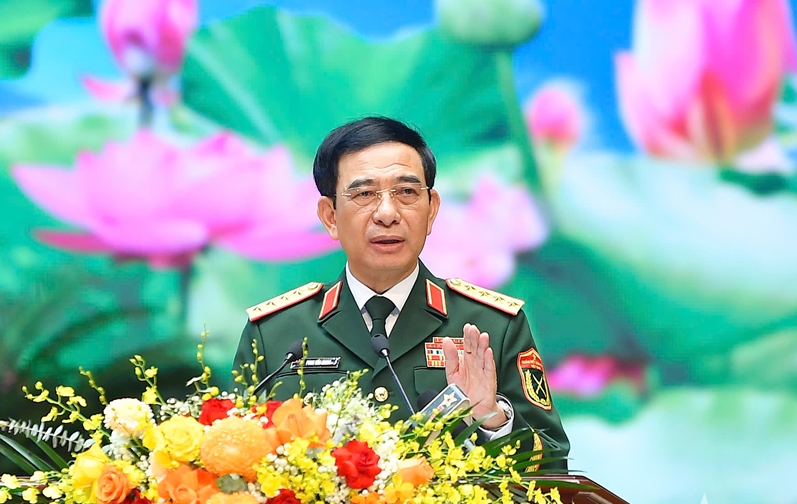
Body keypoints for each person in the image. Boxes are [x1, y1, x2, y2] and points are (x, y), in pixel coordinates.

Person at [233, 116, 569, 468]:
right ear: (330, 216)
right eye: (364, 194)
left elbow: (553, 466)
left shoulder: (493, 327)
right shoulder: (274, 333)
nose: (387, 213)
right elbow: (234, 463)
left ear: (431, 210)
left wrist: (493, 422)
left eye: (406, 192)